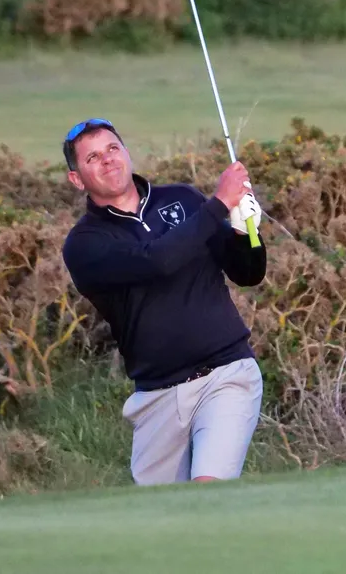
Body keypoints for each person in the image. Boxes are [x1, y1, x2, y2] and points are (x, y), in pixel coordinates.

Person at [59, 117, 267, 486]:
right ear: (77, 179)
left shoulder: (183, 200)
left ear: (126, 153)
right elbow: (156, 261)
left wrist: (243, 229)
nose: (108, 160)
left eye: (112, 149)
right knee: (163, 519)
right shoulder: (85, 243)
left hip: (226, 374)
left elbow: (248, 273)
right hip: (157, 396)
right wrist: (219, 203)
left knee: (209, 488)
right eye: (92, 158)